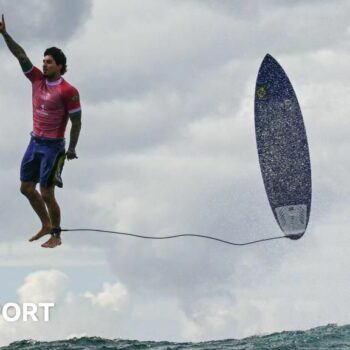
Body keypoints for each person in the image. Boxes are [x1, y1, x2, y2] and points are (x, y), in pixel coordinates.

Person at [0, 14, 82, 248]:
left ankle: (56, 234)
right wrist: (5, 34)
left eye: (49, 62)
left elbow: (77, 121)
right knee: (26, 188)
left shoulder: (69, 91)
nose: (44, 64)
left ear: (59, 66)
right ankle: (45, 224)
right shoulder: (37, 79)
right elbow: (20, 55)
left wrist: (72, 148)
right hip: (34, 142)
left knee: (47, 192)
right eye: (43, 61)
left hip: (53, 147)